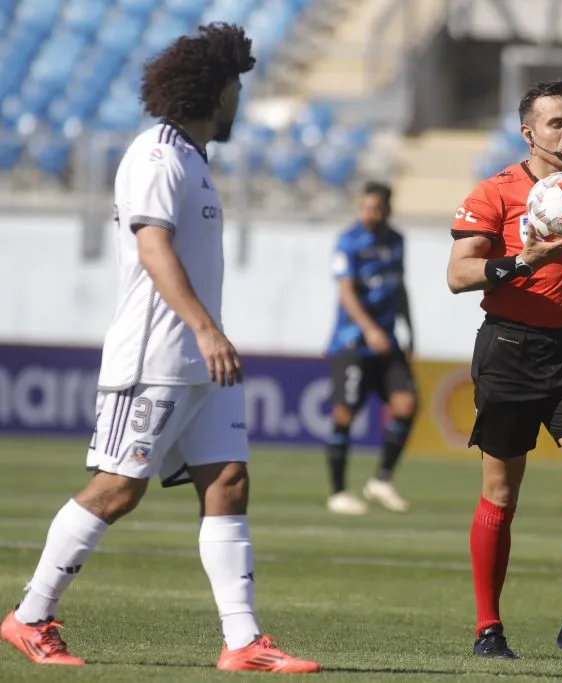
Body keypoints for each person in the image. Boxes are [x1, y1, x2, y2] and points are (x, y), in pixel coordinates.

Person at [0, 24, 319, 673]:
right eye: (236, 87)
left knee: (228, 480)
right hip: (156, 356)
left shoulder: (192, 159)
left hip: (201, 363)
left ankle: (242, 642)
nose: (239, 100)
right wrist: (205, 328)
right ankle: (29, 616)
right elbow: (152, 247)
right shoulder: (157, 155)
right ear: (214, 90)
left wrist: (207, 337)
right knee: (118, 488)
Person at [447, 80, 562, 664]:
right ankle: (487, 628)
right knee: (501, 490)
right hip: (510, 350)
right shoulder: (495, 193)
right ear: (529, 133)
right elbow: (459, 275)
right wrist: (524, 260)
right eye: (557, 124)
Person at [324, 181, 417, 515]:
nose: (369, 214)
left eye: (376, 208)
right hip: (353, 342)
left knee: (406, 404)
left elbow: (400, 288)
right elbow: (346, 292)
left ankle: (381, 479)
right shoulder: (349, 241)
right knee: (344, 413)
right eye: (365, 208)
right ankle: (338, 492)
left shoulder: (396, 241)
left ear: (388, 209)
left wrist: (410, 334)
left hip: (388, 341)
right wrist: (370, 329)